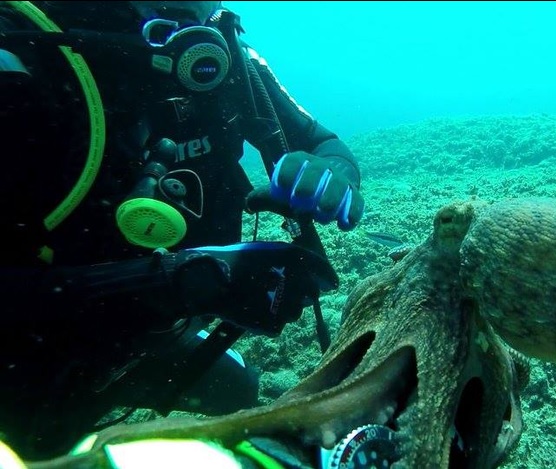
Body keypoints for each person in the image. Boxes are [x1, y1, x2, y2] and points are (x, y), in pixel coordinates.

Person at [0, 0, 364, 461]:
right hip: (27, 356)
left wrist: (336, 172)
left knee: (239, 393)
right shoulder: (23, 59)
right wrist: (183, 281)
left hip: (146, 340)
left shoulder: (222, 57)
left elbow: (320, 140)